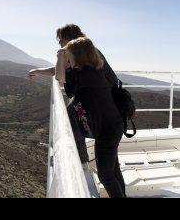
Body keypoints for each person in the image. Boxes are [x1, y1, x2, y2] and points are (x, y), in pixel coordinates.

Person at [27, 24, 118, 163]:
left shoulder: (82, 52)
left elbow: (59, 74)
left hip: (100, 99)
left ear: (69, 38)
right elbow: (59, 70)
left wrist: (44, 66)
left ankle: (81, 161)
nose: (59, 42)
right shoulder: (85, 49)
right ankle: (84, 159)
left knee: (72, 114)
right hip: (101, 98)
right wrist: (38, 71)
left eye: (60, 38)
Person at [59, 37, 126, 198]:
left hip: (108, 130)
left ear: (78, 56)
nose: (68, 58)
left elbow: (60, 78)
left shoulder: (83, 74)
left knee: (105, 175)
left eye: (70, 55)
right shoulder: (94, 69)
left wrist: (60, 58)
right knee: (113, 169)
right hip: (112, 125)